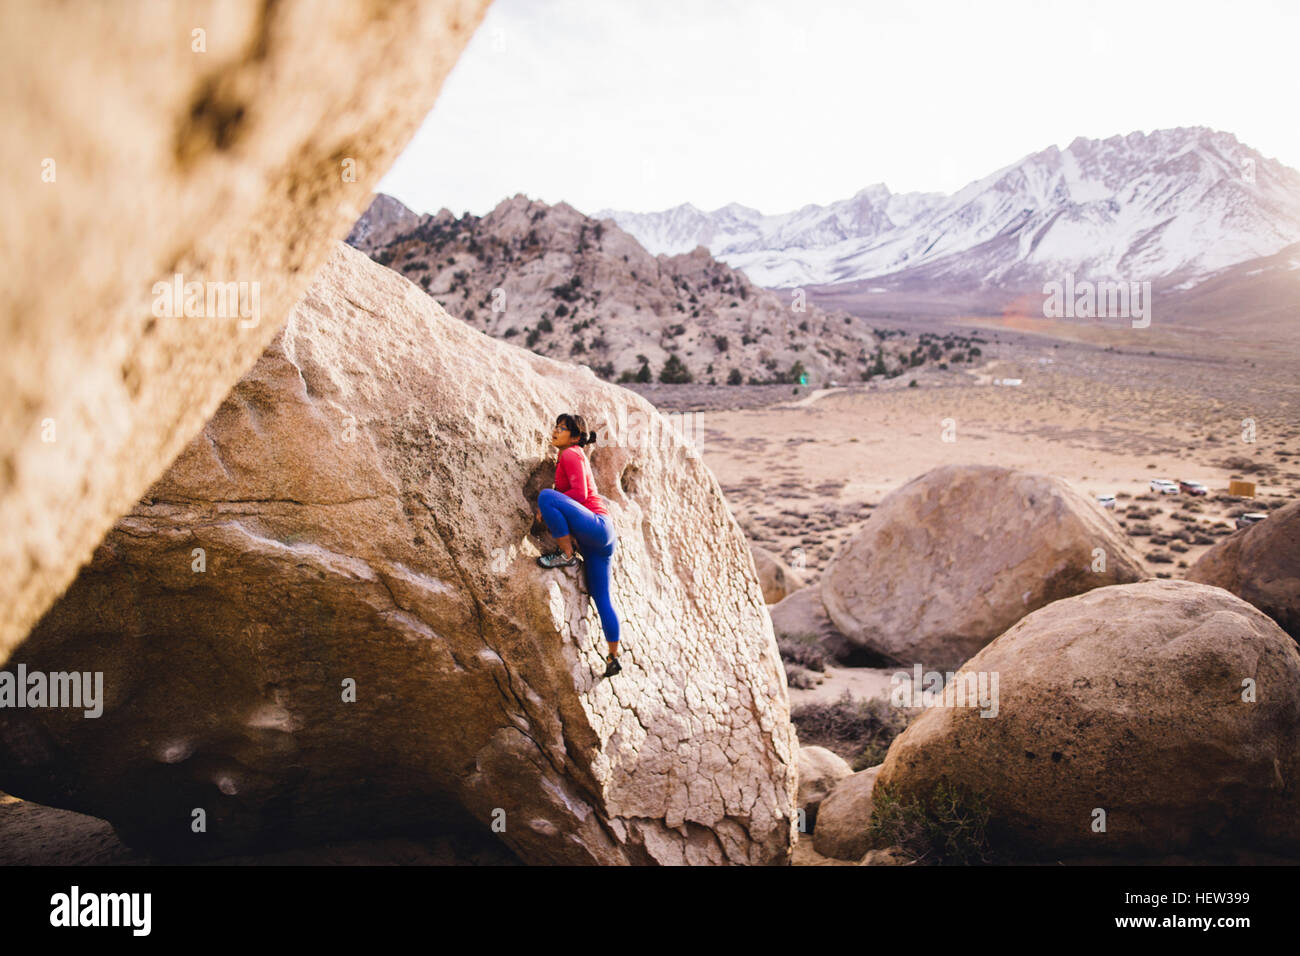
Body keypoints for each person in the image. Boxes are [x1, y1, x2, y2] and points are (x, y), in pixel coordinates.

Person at [535, 413, 624, 677]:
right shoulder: (571, 454)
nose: (555, 431)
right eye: (556, 426)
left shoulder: (571, 454)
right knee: (602, 598)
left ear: (575, 438)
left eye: (562, 429)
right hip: (601, 538)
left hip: (595, 524)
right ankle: (613, 656)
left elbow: (581, 495)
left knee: (546, 497)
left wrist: (550, 505)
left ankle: (566, 554)